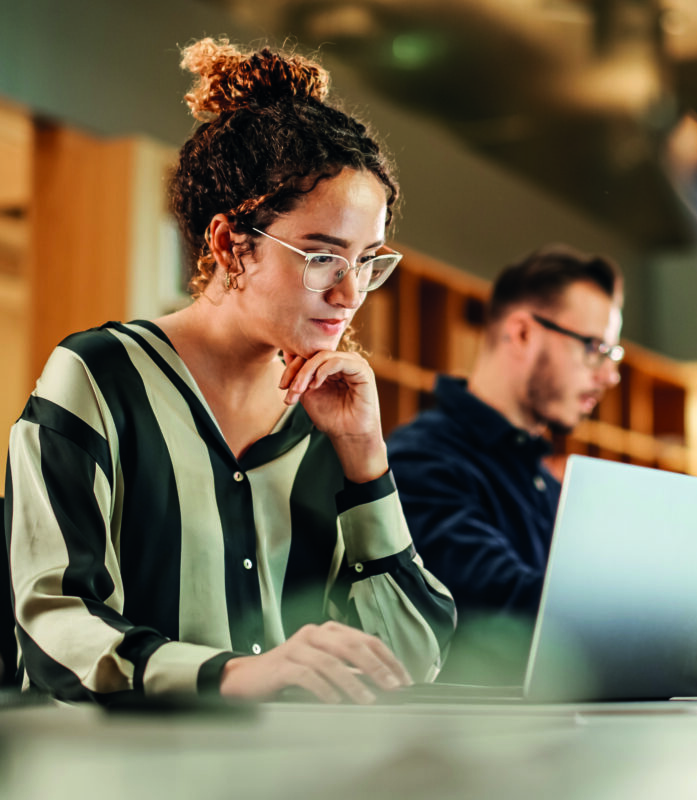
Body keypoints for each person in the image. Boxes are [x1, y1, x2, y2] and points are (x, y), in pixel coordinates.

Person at [3, 37, 455, 705]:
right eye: (323, 257)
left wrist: (365, 457)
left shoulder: (329, 417)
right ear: (229, 244)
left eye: (367, 261)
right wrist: (232, 675)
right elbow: (54, 630)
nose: (351, 292)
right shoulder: (98, 377)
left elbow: (413, 661)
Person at [387, 245, 623, 682]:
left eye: (612, 356)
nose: (608, 376)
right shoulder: (419, 460)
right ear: (522, 334)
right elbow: (500, 606)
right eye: (594, 348)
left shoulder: (547, 486)